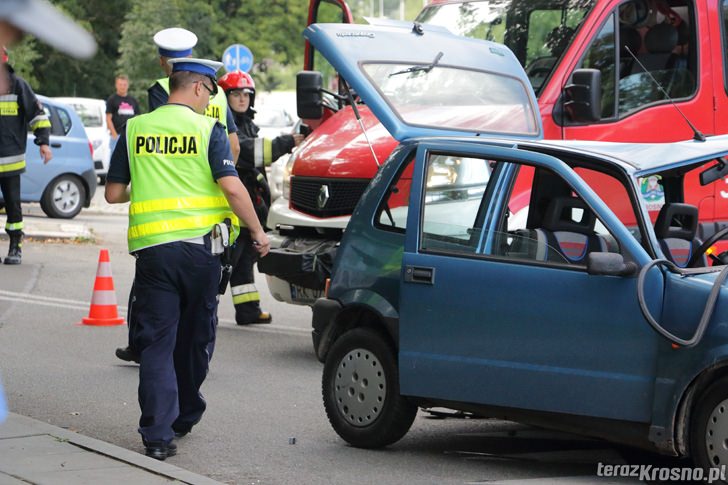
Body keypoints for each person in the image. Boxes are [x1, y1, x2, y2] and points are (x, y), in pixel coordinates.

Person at [105, 57, 269, 460]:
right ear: (198, 88)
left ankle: (158, 438)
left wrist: (148, 183)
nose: (209, 101)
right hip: (200, 252)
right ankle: (185, 414)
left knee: (156, 344)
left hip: (154, 253)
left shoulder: (135, 128)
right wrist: (257, 230)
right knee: (196, 340)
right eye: (210, 93)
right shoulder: (207, 129)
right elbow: (231, 188)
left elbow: (112, 193)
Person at [115, 27, 240, 364]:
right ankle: (190, 367)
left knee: (150, 293)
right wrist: (221, 177)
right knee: (202, 300)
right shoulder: (219, 97)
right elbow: (234, 145)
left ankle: (142, 345)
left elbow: (160, 151)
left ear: (163, 62)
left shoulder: (160, 93)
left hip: (161, 230)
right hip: (207, 218)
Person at [218, 70, 303, 325]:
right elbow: (246, 152)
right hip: (231, 205)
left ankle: (248, 310)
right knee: (225, 262)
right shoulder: (224, 123)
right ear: (225, 96)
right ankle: (203, 307)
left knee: (244, 260)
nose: (242, 98)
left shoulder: (245, 122)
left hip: (246, 203)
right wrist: (286, 142)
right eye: (235, 93)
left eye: (246, 94)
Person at [0, 50, 52, 264]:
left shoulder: (18, 85)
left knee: (13, 206)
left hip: (10, 159)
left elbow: (38, 116)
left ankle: (15, 247)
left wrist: (44, 143)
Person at [106, 74, 140, 150]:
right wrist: (114, 134)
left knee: (129, 160)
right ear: (116, 85)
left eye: (124, 84)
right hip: (117, 136)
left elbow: (137, 118)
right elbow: (108, 119)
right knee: (115, 160)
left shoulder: (133, 100)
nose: (122, 86)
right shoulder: (112, 99)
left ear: (128, 85)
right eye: (120, 84)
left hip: (130, 136)